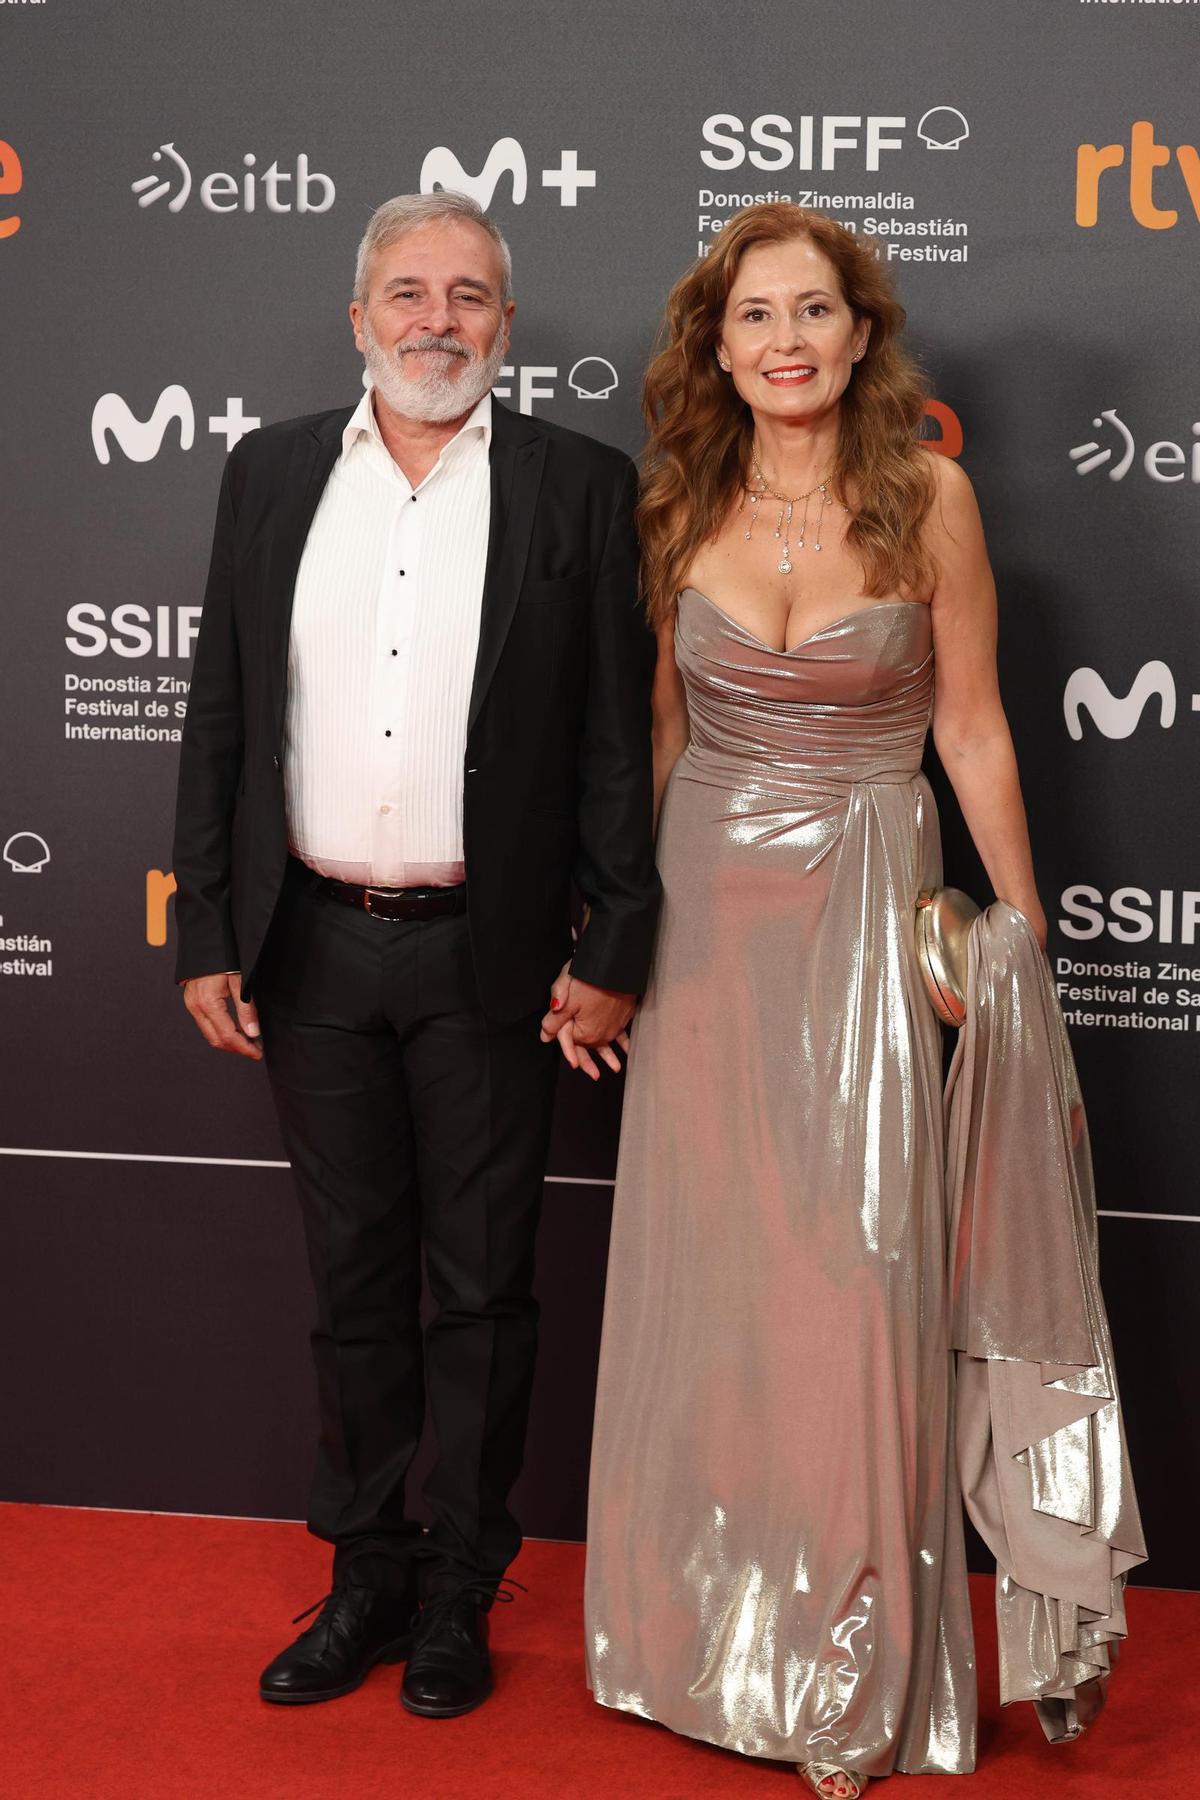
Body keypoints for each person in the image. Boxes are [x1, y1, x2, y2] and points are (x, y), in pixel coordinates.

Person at [582, 203, 1138, 1794]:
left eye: (813, 312)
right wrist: (619, 944)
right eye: (755, 317)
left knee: (850, 1290)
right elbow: (668, 739)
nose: (785, 342)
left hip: (864, 918)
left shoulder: (928, 498)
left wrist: (1016, 937)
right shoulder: (678, 499)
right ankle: (693, 1641)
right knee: (720, 1292)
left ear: (860, 333)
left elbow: (970, 730)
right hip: (704, 930)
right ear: (719, 344)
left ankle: (847, 1662)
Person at [171, 190, 660, 1719]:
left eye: (467, 295)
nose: (434, 319)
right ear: (360, 315)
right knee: (354, 1283)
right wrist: (203, 923)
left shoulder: (584, 490)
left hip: (493, 957)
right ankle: (365, 1573)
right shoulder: (268, 474)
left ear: (506, 326)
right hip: (309, 943)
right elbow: (223, 715)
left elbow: (612, 743)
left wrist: (620, 935)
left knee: (485, 1289)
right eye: (406, 292)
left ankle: (461, 1588)